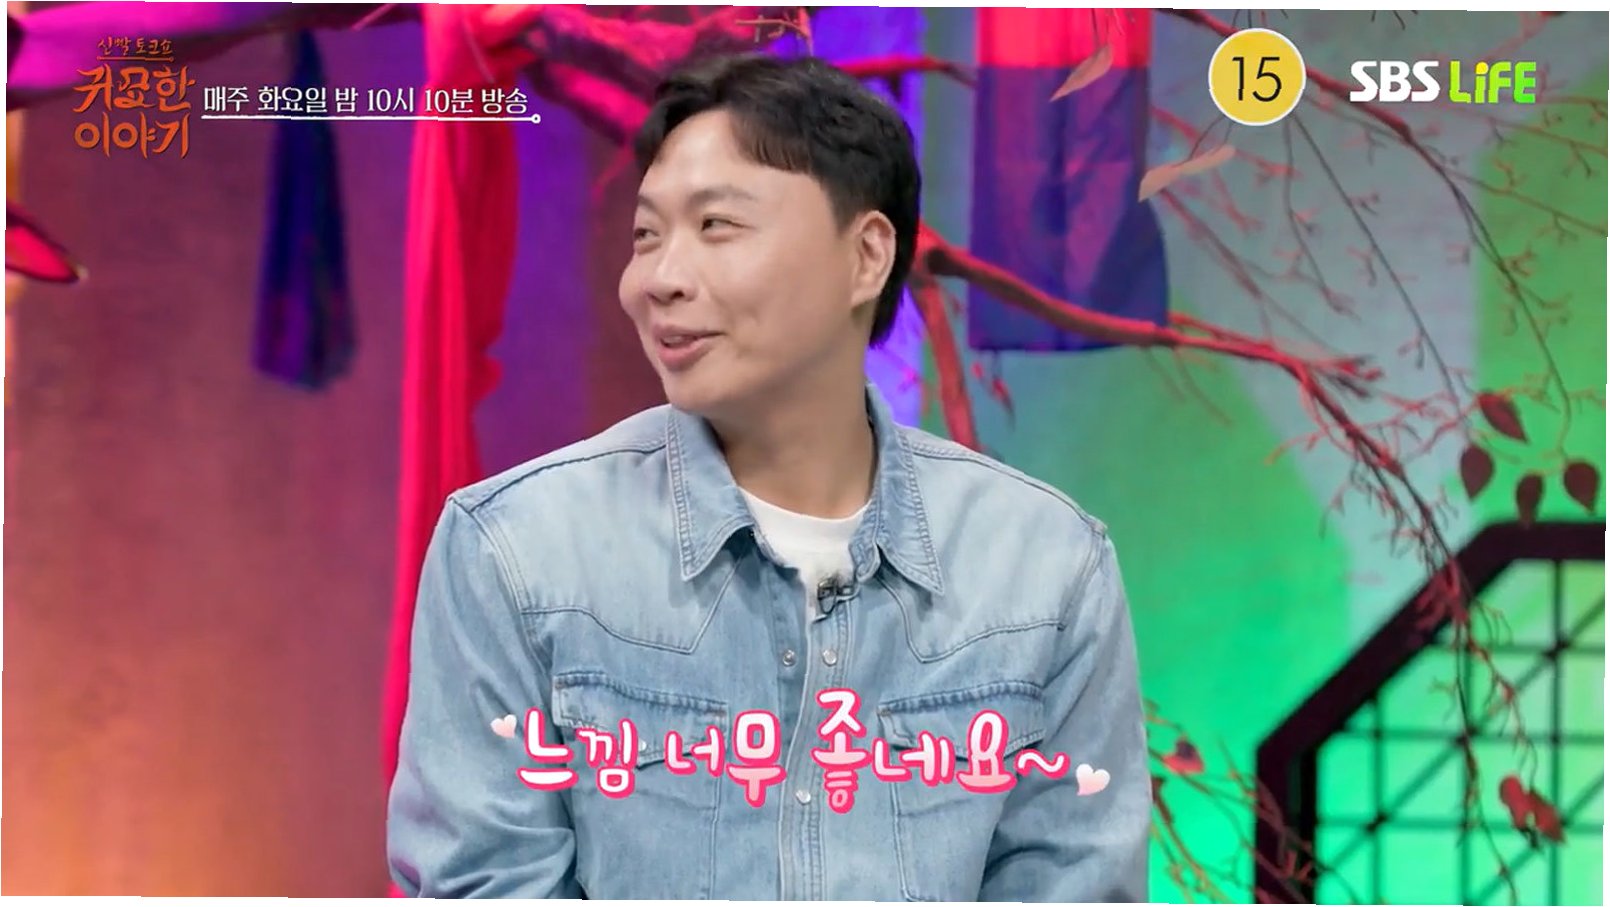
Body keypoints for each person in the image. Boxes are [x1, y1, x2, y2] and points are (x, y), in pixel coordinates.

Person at [387, 52, 1150, 901]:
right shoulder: (515, 550)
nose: (658, 280)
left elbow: (1075, 882)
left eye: (716, 225)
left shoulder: (1045, 565)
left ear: (866, 256)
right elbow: (485, 880)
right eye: (647, 235)